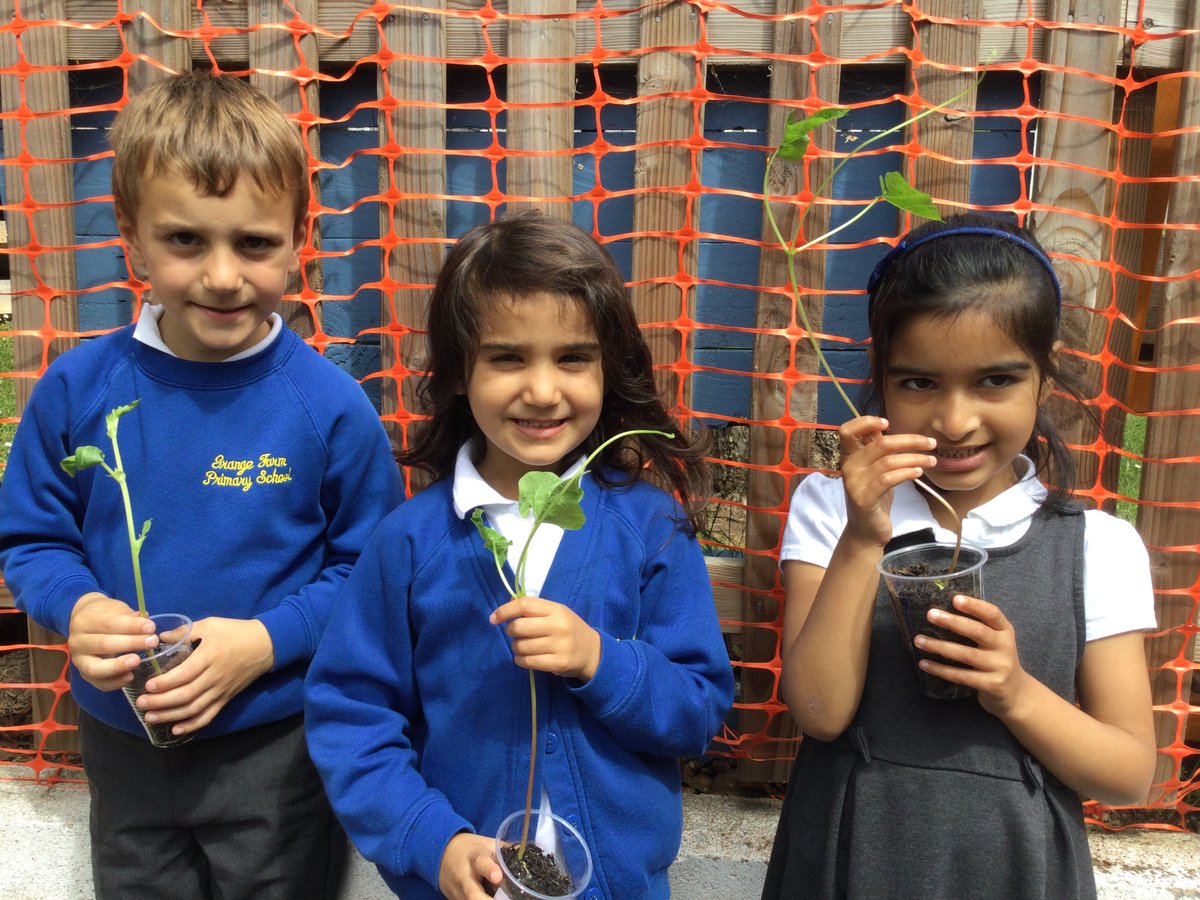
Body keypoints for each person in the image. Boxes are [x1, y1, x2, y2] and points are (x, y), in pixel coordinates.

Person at [0, 70, 404, 899]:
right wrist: (76, 606)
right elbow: (34, 539)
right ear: (133, 237)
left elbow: (372, 573)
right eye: (186, 240)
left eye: (254, 243)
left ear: (298, 239)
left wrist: (264, 642)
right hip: (120, 740)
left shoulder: (328, 408)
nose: (224, 276)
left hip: (277, 744)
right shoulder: (77, 391)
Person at [304, 210, 735, 900]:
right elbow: (351, 714)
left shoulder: (650, 524)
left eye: (572, 357)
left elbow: (700, 711)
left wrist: (601, 659)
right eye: (508, 357)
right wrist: (429, 837)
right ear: (455, 374)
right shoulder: (412, 541)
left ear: (608, 369)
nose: (541, 389)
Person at [761, 214, 1157, 899]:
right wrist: (864, 535)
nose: (954, 420)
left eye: (996, 381)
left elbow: (1127, 774)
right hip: (852, 853)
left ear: (1045, 378)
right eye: (918, 383)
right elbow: (820, 712)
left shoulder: (1096, 546)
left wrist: (1015, 691)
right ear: (881, 378)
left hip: (1013, 861)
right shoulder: (832, 509)